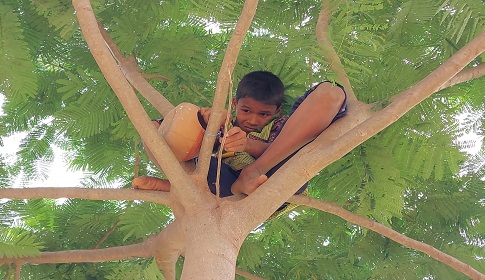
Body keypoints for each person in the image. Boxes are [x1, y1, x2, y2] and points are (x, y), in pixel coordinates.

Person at [133, 71, 347, 202]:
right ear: (235, 105)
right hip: (217, 180)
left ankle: (246, 176)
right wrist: (204, 121)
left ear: (277, 112)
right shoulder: (222, 126)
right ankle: (179, 185)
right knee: (154, 127)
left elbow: (282, 148)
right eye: (246, 111)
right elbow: (181, 137)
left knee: (332, 91)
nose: (253, 120)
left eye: (264, 114)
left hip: (272, 180)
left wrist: (248, 146)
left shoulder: (281, 126)